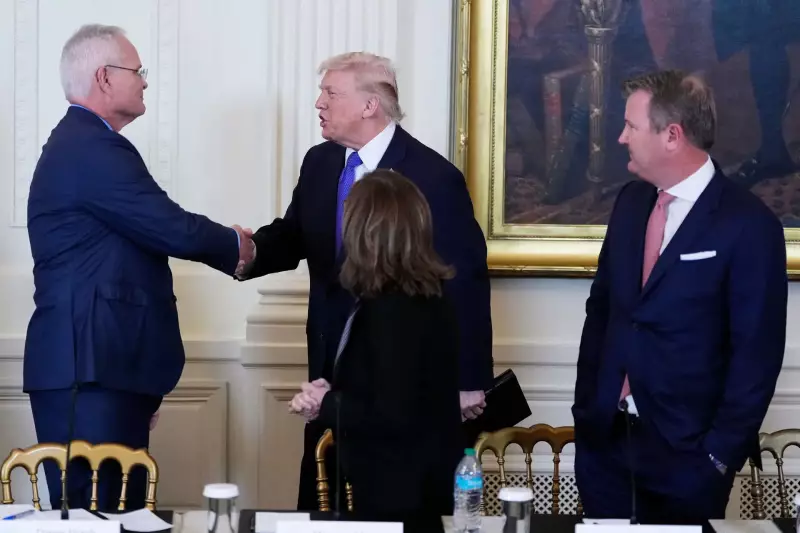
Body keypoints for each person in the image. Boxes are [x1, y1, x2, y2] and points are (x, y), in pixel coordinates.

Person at [237, 52, 493, 511]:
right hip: (330, 360)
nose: (319, 103)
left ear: (370, 104)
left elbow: (466, 281)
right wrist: (245, 253)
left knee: (386, 494)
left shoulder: (433, 176)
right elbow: (296, 234)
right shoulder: (320, 162)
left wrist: (469, 380)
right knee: (326, 492)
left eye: (330, 93)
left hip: (397, 374)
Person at [24, 24, 254, 511]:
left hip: (103, 368)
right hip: (89, 371)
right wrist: (238, 245)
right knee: (98, 518)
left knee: (117, 514)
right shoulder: (91, 148)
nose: (145, 80)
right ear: (104, 77)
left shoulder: (84, 143)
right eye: (138, 70)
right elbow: (168, 226)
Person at [572, 70, 787, 524]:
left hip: (688, 460)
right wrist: (587, 409)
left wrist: (716, 458)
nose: (621, 137)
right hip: (606, 448)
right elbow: (602, 311)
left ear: (671, 136)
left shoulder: (748, 224)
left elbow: (756, 355)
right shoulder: (630, 204)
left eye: (631, 126)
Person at [288, 169, 464, 520]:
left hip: (401, 494)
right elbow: (390, 384)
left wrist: (327, 403)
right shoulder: (423, 296)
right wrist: (332, 393)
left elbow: (393, 413)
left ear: (365, 233)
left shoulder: (393, 309)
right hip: (420, 486)